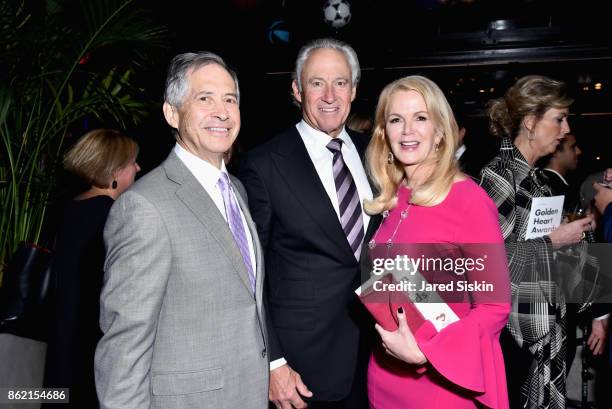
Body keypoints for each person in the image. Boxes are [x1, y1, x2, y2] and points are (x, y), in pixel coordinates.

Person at [94, 52, 269, 409]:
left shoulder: (236, 188)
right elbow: (124, 345)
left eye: (230, 100)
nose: (222, 111)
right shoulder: (143, 206)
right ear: (171, 113)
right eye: (205, 98)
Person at [239, 38, 373, 409]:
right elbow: (250, 273)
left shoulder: (376, 153)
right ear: (297, 90)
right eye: (317, 83)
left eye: (340, 83)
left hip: (380, 353)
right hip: (302, 368)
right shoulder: (264, 164)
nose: (330, 95)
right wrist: (273, 362)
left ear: (354, 89)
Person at [363, 75, 511, 409]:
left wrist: (429, 351)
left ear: (440, 131)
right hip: (384, 376)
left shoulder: (468, 200)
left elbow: (494, 307)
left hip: (439, 384)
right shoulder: (393, 198)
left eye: (420, 118)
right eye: (396, 120)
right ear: (384, 133)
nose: (407, 131)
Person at [479, 75, 598, 409]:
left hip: (537, 330)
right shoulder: (500, 176)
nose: (564, 129)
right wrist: (554, 240)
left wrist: (569, 237)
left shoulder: (536, 179)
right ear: (531, 122)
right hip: (512, 336)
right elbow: (489, 266)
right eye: (558, 119)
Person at [43, 129, 139, 408]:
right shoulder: (113, 215)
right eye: (132, 162)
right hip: (91, 341)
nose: (137, 168)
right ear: (115, 170)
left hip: (61, 335)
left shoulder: (68, 208)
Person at [541, 133, 582, 212]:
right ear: (555, 151)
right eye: (573, 147)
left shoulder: (539, 181)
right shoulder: (556, 190)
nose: (579, 151)